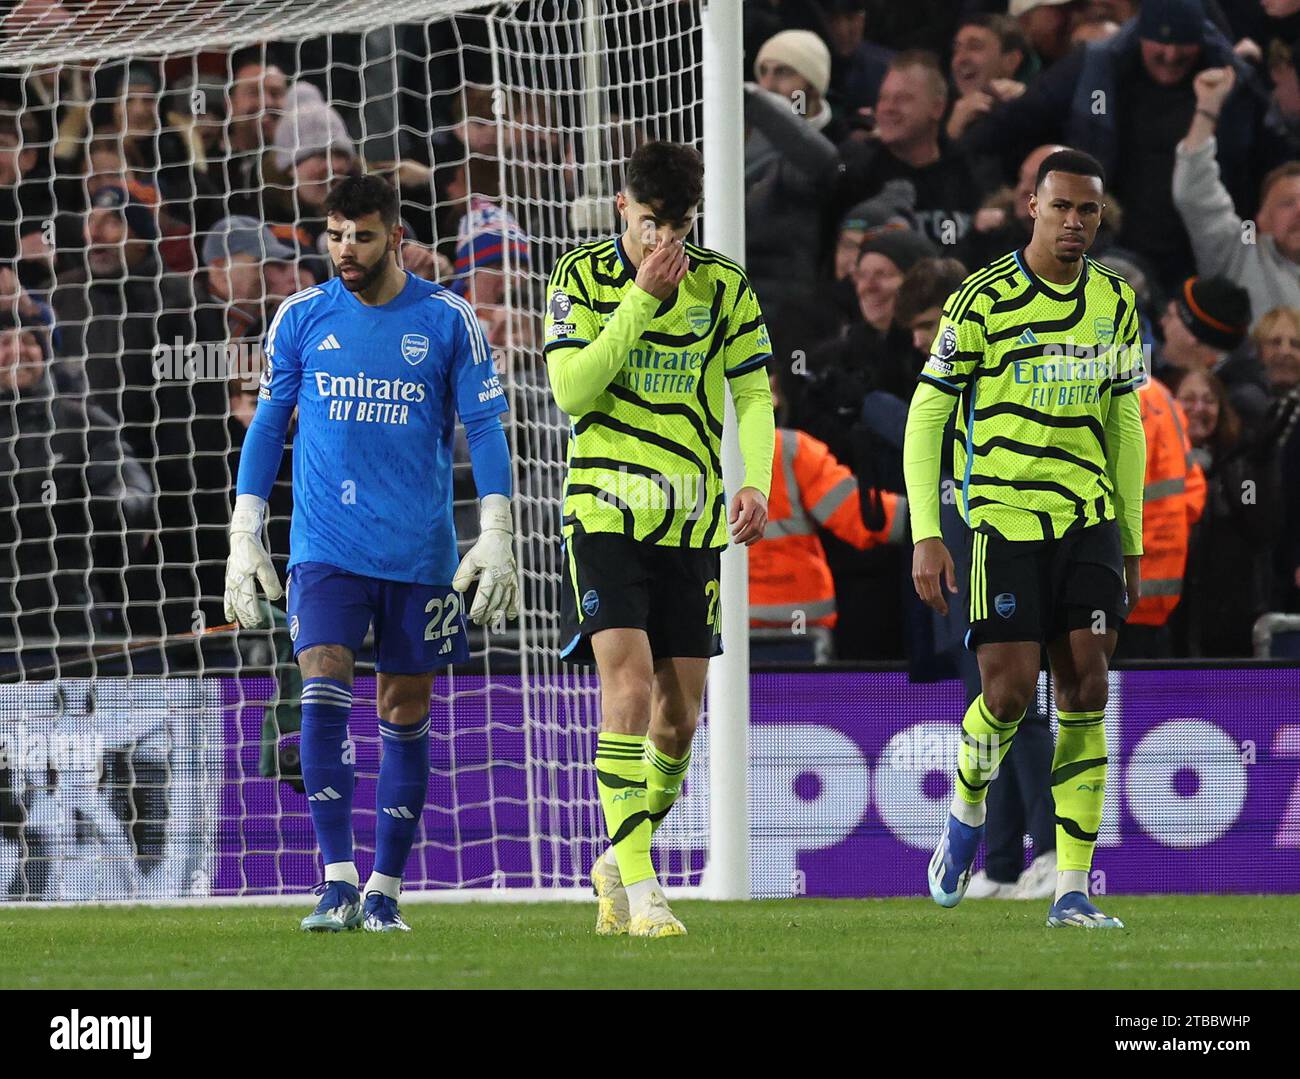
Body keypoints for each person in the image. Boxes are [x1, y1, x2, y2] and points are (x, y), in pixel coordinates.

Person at [223, 174, 519, 932]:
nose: (345, 249)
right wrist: (244, 530)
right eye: (334, 235)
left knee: (403, 707)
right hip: (324, 546)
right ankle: (336, 879)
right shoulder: (301, 316)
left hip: (418, 552)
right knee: (322, 680)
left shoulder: (449, 321)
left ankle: (386, 888)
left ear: (395, 235)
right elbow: (268, 425)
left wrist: (496, 527)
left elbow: (484, 428)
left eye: (360, 234)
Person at [903, 148, 1146, 928]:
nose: (1075, 222)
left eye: (1089, 211)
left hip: (1088, 520)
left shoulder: (1115, 301)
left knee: (1088, 688)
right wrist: (928, 530)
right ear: (1030, 207)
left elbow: (1125, 419)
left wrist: (1133, 539)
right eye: (1062, 207)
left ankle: (1072, 887)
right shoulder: (980, 300)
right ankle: (966, 810)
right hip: (1002, 522)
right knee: (1006, 695)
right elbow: (928, 413)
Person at [544, 142, 774, 937]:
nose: (663, 244)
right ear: (620, 207)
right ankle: (644, 892)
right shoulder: (580, 278)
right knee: (630, 688)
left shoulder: (723, 284)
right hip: (606, 509)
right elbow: (573, 390)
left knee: (679, 721)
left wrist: (756, 480)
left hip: (691, 517)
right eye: (649, 225)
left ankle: (619, 853)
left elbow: (751, 388)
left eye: (676, 227)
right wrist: (639, 299)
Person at [1173, 65, 1300, 326]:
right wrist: (1207, 108)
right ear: (1260, 220)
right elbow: (1193, 193)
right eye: (1288, 203)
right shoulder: (1239, 252)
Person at [1172, 369, 1278, 655]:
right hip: (1170, 617)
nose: (1198, 409)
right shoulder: (1155, 463)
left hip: (1228, 619)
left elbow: (1261, 526)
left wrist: (1250, 474)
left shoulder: (1240, 461)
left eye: (1209, 401)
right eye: (1188, 399)